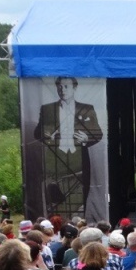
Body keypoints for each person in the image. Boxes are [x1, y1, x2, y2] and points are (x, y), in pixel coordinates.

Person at [35, 76, 103, 218]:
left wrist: (87, 138)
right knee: (54, 196)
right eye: (59, 86)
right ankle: (60, 223)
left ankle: (72, 222)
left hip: (78, 160)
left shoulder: (86, 109)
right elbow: (38, 132)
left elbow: (98, 133)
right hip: (55, 159)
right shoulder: (47, 109)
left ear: (74, 88)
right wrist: (47, 135)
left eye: (66, 86)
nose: (62, 89)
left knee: (77, 196)